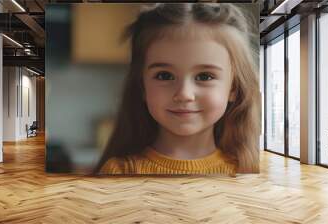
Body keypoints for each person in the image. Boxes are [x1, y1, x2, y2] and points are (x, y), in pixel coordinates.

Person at [93, 3, 260, 176]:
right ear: (142, 85)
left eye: (205, 76)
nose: (184, 94)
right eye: (164, 75)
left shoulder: (247, 171)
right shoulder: (119, 172)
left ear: (234, 87)